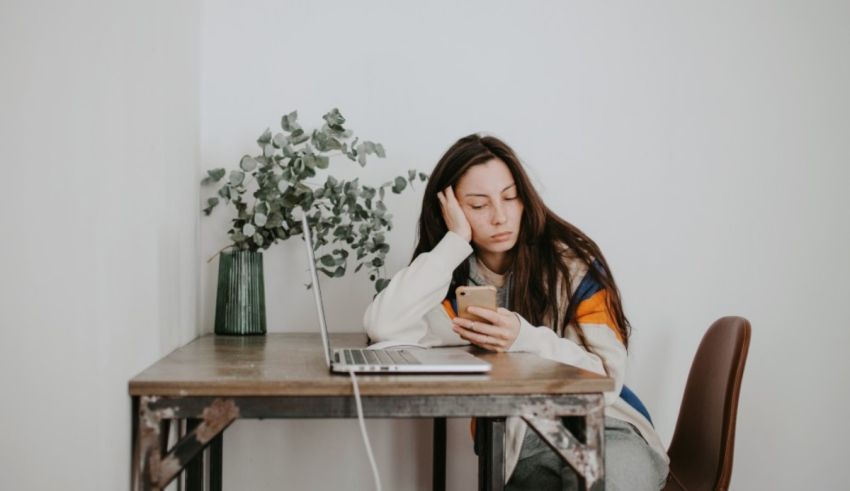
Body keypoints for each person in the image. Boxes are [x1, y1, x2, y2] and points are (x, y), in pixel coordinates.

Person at [363, 134, 669, 490]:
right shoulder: (447, 279)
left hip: (605, 425)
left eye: (510, 197)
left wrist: (524, 338)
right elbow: (383, 325)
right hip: (517, 441)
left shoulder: (573, 265)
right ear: (450, 210)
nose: (500, 216)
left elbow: (606, 377)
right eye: (478, 205)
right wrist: (454, 242)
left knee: (609, 482)